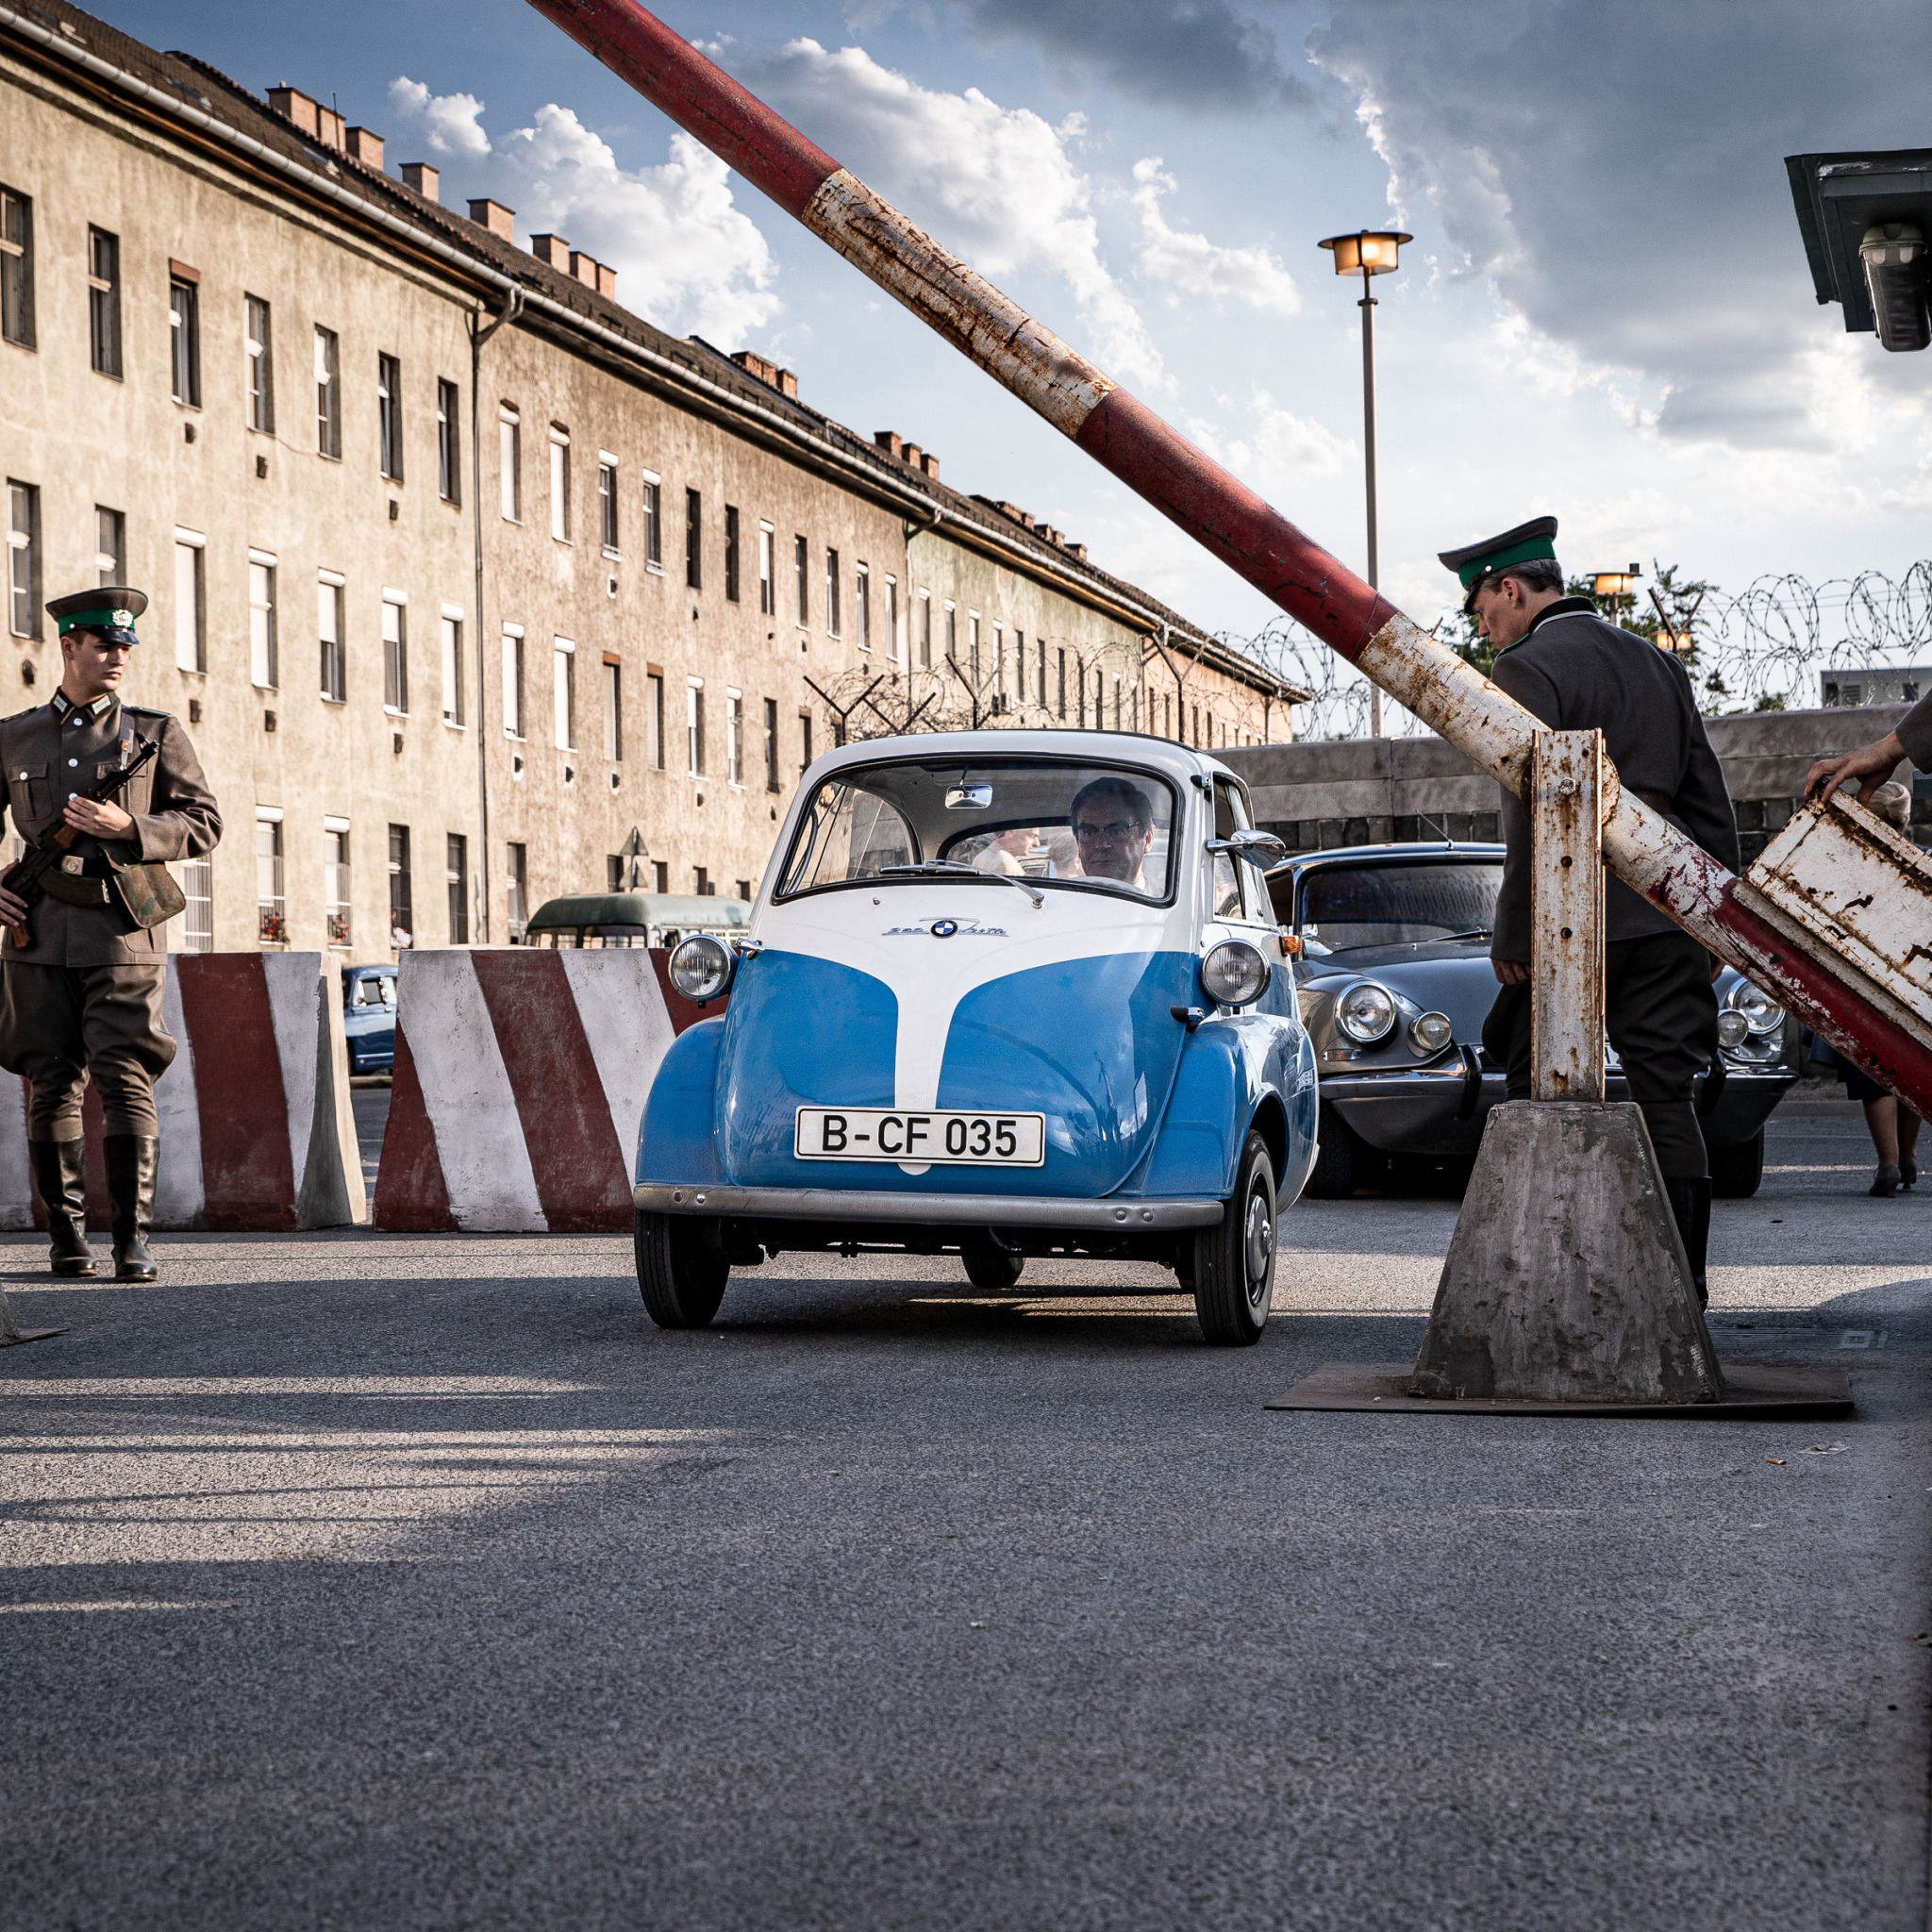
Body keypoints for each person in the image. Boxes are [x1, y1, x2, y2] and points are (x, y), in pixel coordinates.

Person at [1440, 517, 1739, 1302]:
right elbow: (1708, 798)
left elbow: (1527, 810)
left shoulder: (1526, 667)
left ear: (1512, 588)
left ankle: (1549, 1279)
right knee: (1667, 1095)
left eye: (1481, 605)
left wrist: (1515, 930)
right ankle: (1686, 1288)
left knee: (1537, 1087)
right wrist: (1715, 917)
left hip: (1569, 924)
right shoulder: (1655, 662)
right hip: (1664, 913)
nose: (1480, 623)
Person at [0, 588, 221, 1282]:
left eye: (125, 646)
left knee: (126, 1077)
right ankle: (67, 1242)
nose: (117, 656)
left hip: (122, 929)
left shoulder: (154, 734)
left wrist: (131, 829)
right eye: (103, 644)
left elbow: (205, 823)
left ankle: (132, 1242)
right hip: (35, 932)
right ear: (67, 646)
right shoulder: (16, 736)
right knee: (50, 1079)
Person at [1069, 776, 1157, 891]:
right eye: (1089, 833)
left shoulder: (1170, 905)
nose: (1101, 845)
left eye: (1117, 831)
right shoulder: (1061, 904)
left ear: (1147, 839)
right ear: (1078, 844)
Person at [974, 826, 1038, 875]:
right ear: (1010, 832)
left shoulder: (985, 855)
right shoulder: (1003, 863)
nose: (1037, 843)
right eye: (1032, 836)